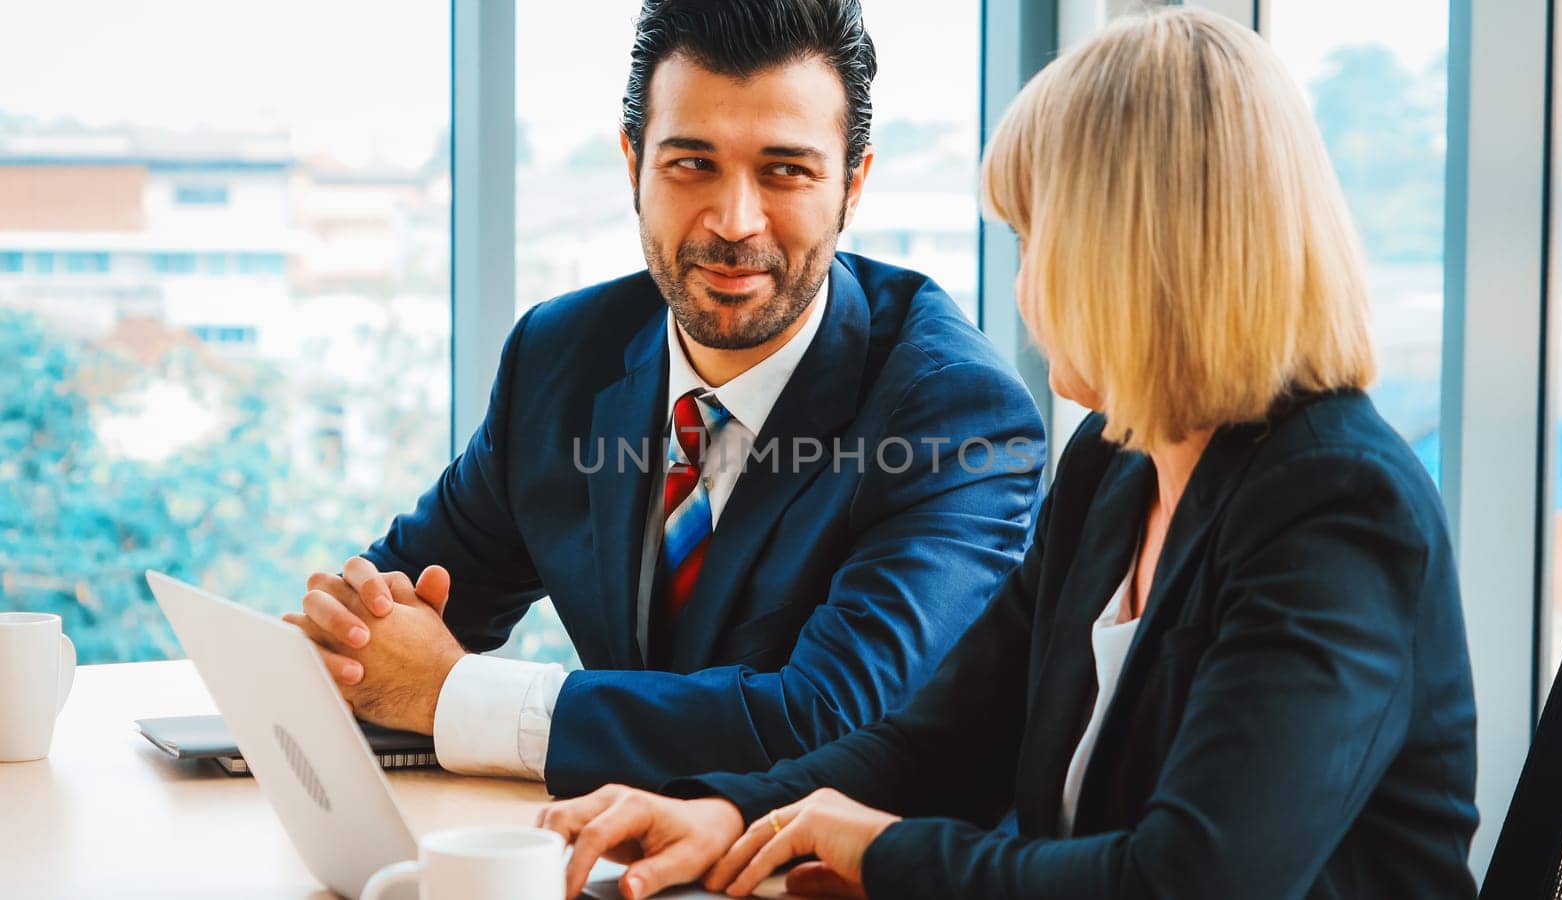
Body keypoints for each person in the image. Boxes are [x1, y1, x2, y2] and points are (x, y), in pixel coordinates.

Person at [536, 9, 1480, 899]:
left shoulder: (1338, 506)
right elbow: (940, 745)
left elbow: (1187, 880)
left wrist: (884, 851)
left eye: (1036, 239)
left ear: (1139, 254)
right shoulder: (1115, 470)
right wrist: (728, 810)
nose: (1025, 290)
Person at [281, 0, 1047, 799]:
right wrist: (359, 631)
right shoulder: (559, 357)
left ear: (853, 183)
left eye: (785, 170)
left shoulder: (955, 415)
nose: (733, 220)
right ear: (633, 164)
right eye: (692, 163)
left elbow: (827, 723)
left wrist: (453, 695)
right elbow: (400, 614)